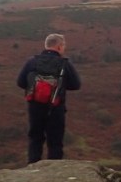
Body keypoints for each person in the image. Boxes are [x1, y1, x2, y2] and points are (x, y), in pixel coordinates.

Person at [16, 33, 81, 163]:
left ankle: (33, 169)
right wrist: (60, 85)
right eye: (63, 46)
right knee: (55, 141)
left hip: (35, 107)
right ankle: (54, 171)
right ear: (59, 47)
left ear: (46, 46)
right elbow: (76, 85)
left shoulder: (32, 62)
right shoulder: (64, 64)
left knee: (35, 138)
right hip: (56, 108)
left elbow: (20, 82)